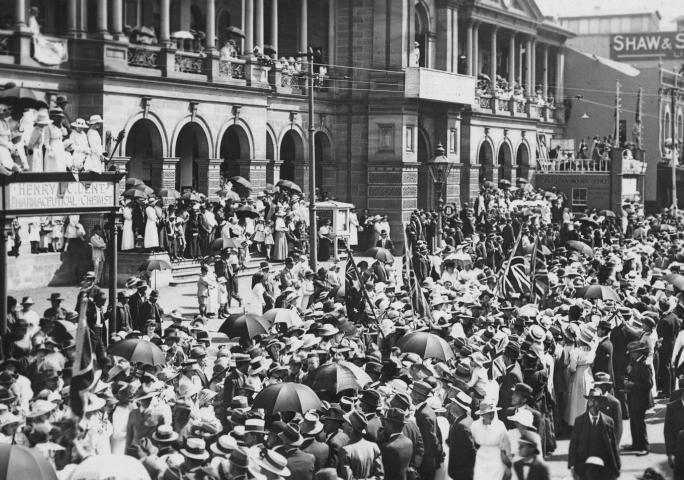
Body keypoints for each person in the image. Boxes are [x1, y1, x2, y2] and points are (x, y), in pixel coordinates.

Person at [568, 387, 621, 480]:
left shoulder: (608, 421)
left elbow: (613, 445)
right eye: (590, 400)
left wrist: (617, 464)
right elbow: (573, 444)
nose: (592, 403)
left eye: (596, 400)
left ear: (601, 403)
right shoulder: (579, 421)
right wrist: (572, 465)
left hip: (604, 464)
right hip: (585, 464)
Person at [623, 340, 653, 455]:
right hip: (633, 396)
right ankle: (636, 444)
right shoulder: (635, 363)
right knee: (634, 422)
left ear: (638, 352)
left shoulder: (645, 365)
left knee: (639, 422)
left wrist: (633, 385)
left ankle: (644, 446)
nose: (630, 355)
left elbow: (649, 384)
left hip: (641, 398)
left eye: (632, 352)